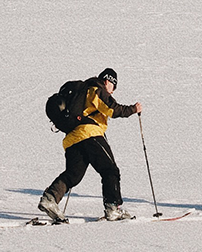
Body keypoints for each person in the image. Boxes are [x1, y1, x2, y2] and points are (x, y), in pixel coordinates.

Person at [38, 68, 142, 222]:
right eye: (113, 87)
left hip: (72, 138)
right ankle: (113, 208)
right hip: (90, 135)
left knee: (73, 174)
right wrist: (134, 109)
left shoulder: (82, 92)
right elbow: (113, 109)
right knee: (110, 170)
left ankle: (50, 198)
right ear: (108, 81)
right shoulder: (96, 89)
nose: (112, 92)